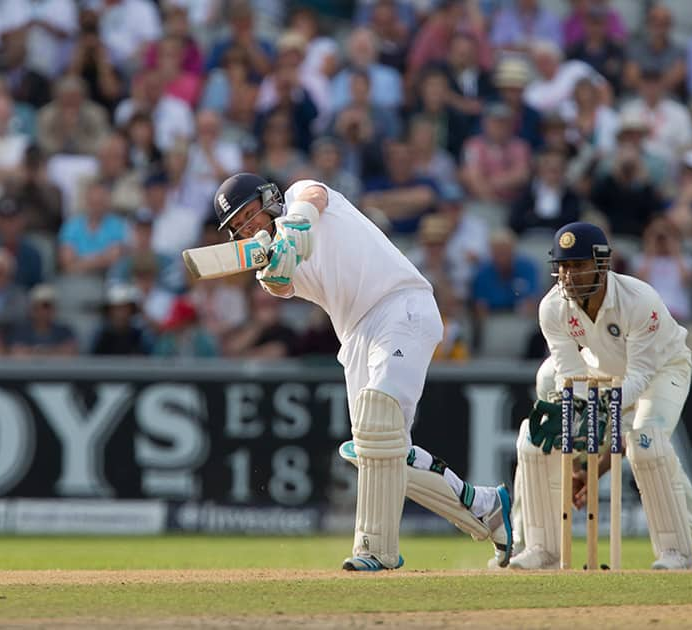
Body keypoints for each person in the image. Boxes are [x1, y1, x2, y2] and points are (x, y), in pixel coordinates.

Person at [212, 172, 513, 571]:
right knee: (373, 450)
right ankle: (484, 507)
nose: (248, 227)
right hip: (355, 335)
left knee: (378, 419)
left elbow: (313, 197)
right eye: (239, 227)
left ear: (268, 199)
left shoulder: (302, 195)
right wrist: (276, 261)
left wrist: (295, 227)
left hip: (400, 304)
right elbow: (280, 283)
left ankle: (375, 550)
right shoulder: (269, 267)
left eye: (249, 215)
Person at [511, 221, 692, 570]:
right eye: (563, 267)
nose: (568, 276)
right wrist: (578, 465)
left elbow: (639, 378)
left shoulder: (639, 300)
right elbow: (570, 374)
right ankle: (533, 545)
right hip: (602, 368)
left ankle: (688, 549)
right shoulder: (552, 307)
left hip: (662, 370)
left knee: (647, 444)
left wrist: (599, 463)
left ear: (602, 263)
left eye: (577, 265)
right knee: (534, 435)